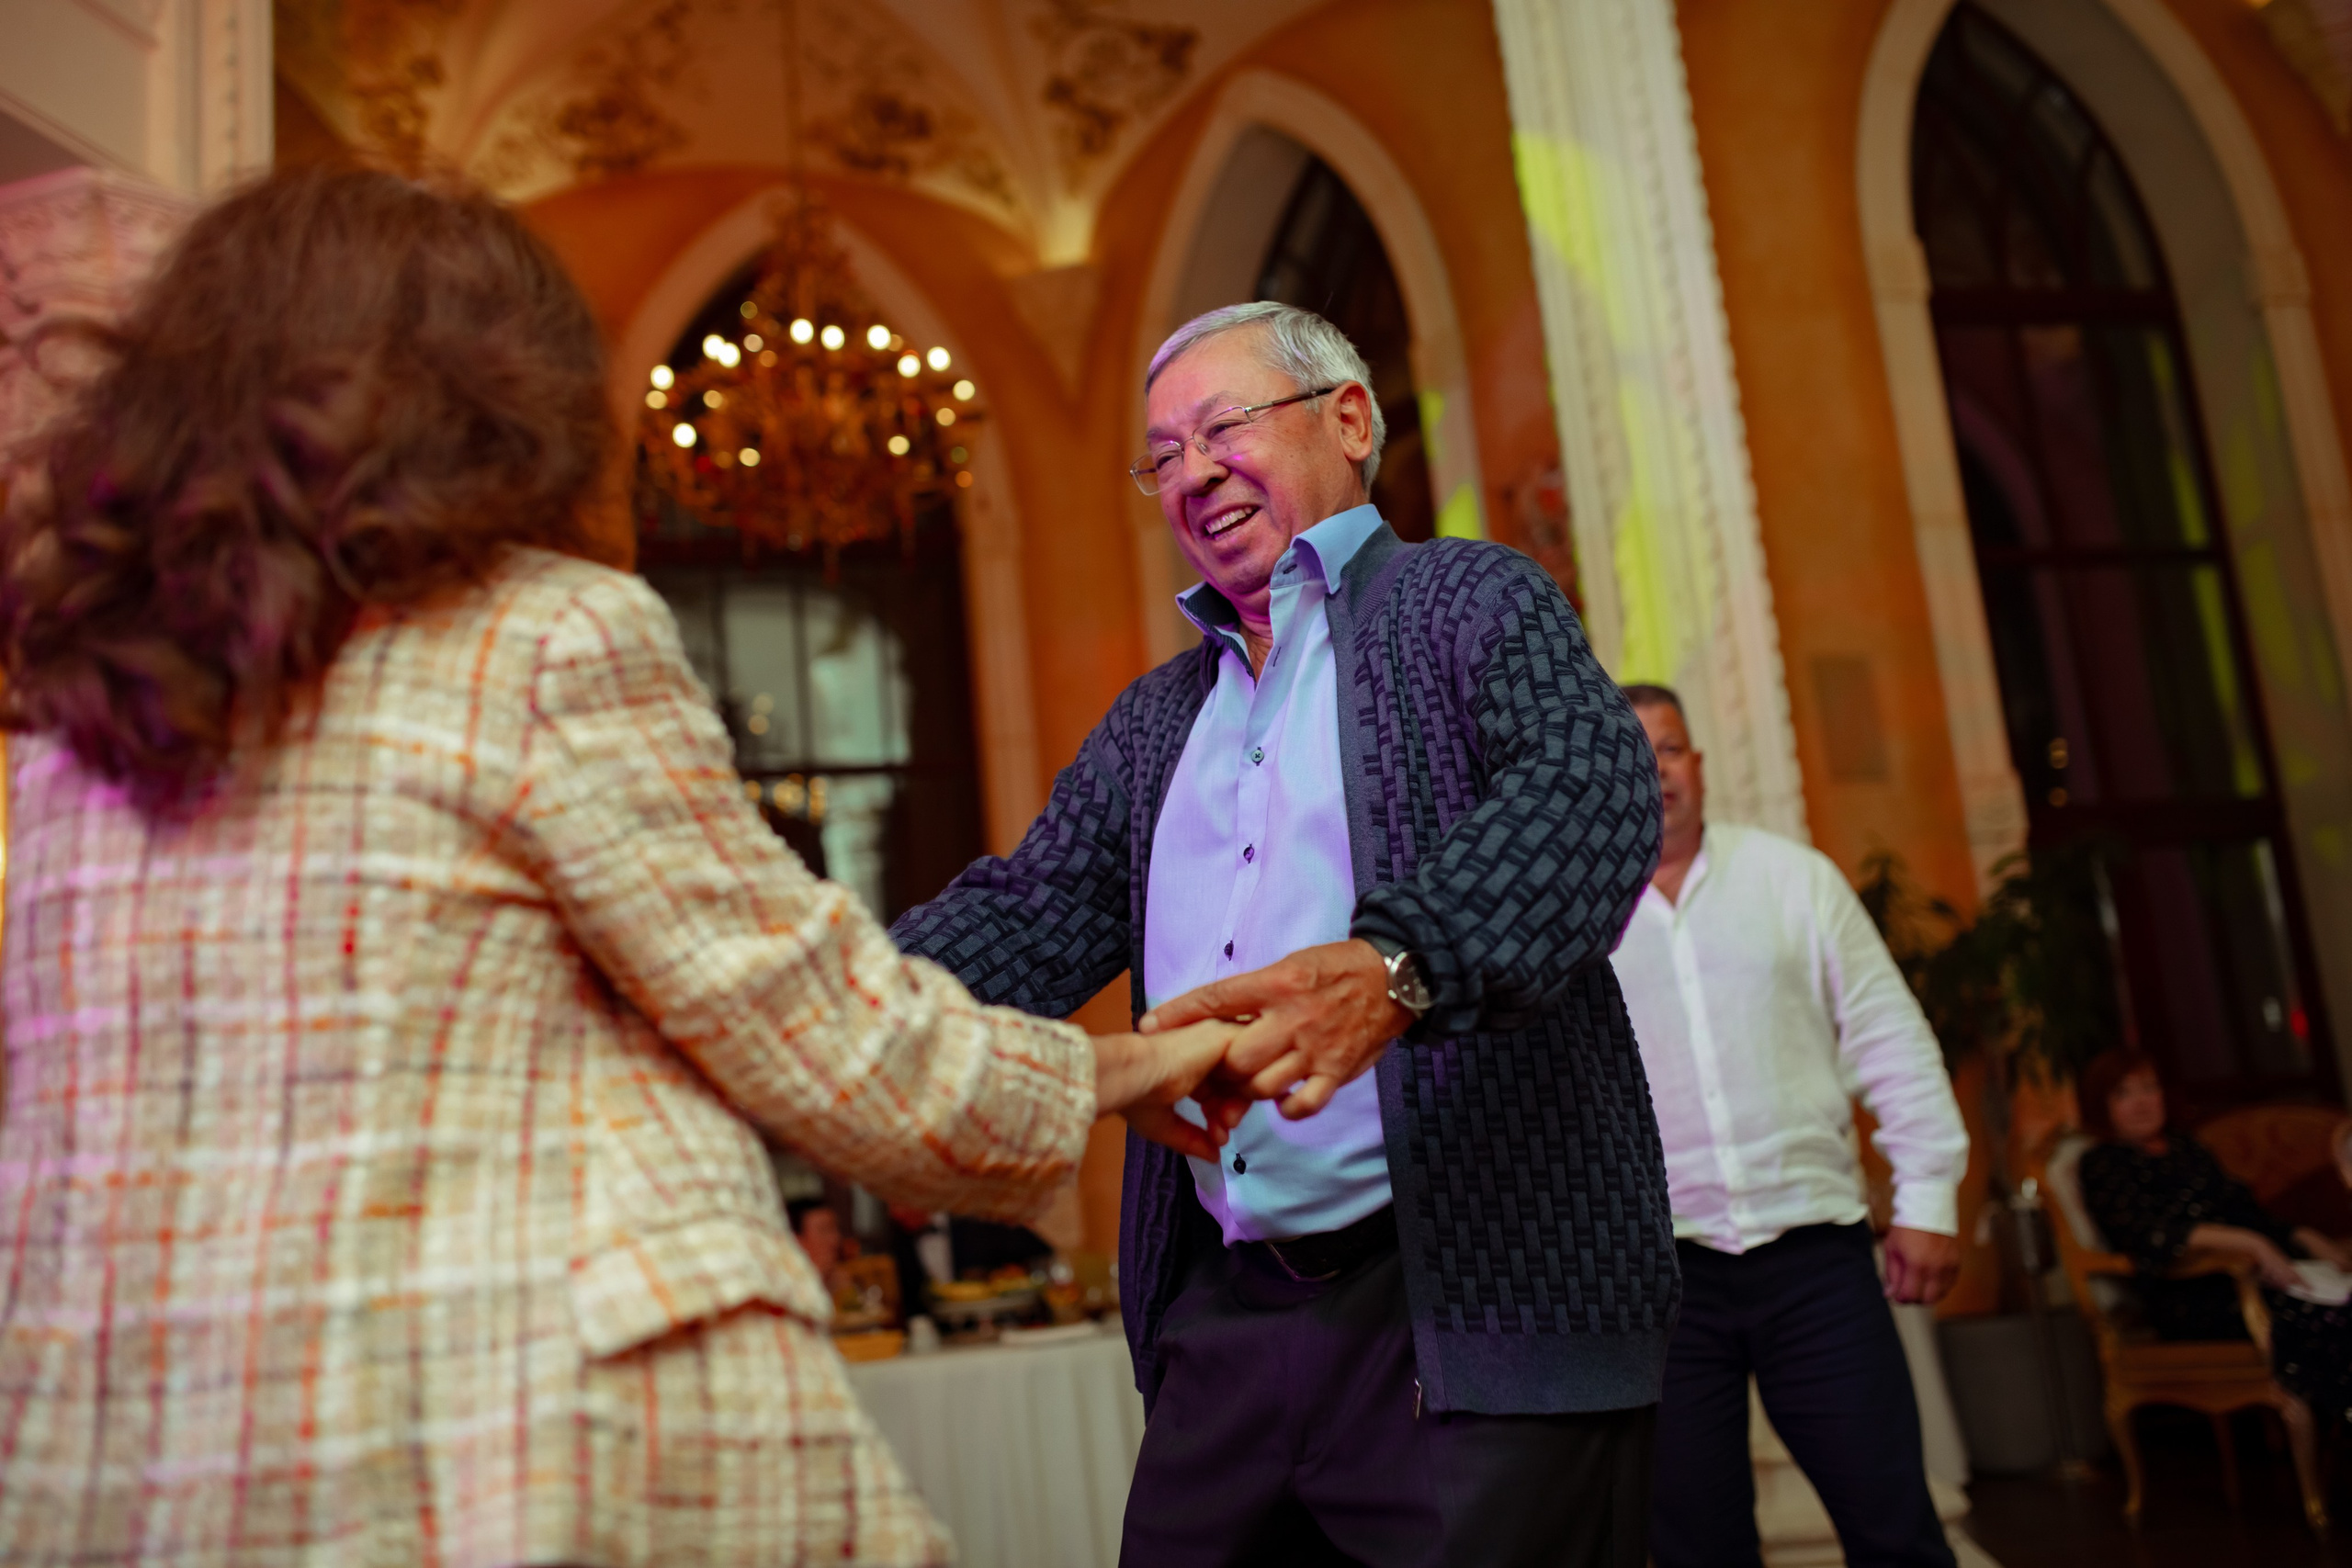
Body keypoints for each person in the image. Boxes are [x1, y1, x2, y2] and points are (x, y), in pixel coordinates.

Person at [0, 166, 1250, 1567]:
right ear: (481, 385)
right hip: (520, 1441)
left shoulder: (76, 735)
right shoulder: (539, 639)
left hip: (144, 1472)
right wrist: (1130, 1067)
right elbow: (835, 1048)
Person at [892, 300, 1671, 1566]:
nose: (1191, 473)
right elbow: (1023, 914)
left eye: (1223, 427)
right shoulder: (1156, 721)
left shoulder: (1469, 600)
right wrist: (809, 998)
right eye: (1162, 455)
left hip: (1476, 1316)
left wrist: (1395, 967)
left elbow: (1592, 794)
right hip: (1226, 1324)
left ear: (1348, 419)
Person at [1609, 684, 1969, 1568]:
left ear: (1699, 763)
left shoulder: (1792, 878)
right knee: (1697, 1546)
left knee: (1894, 1527)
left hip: (1817, 1257)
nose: (1657, 770)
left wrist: (1928, 1197)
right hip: (1663, 1279)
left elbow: (1890, 1034)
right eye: (1635, 750)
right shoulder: (1576, 921)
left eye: (1673, 748)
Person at [2077, 1049, 2352, 1425]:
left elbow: (2246, 1211)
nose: (2142, 1102)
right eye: (2124, 1094)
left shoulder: (2188, 1149)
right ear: (2102, 1106)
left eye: (2149, 1088)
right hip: (2194, 1292)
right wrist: (2250, 1243)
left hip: (2257, 1277)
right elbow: (2148, 1232)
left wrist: (2305, 1236)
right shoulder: (2105, 1164)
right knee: (2315, 1321)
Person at [884, 1205, 1055, 1318]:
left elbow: (1038, 1249)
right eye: (890, 1206)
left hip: (999, 1329)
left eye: (898, 1203)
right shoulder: (897, 1240)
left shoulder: (974, 1216)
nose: (895, 1214)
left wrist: (1009, 1275)